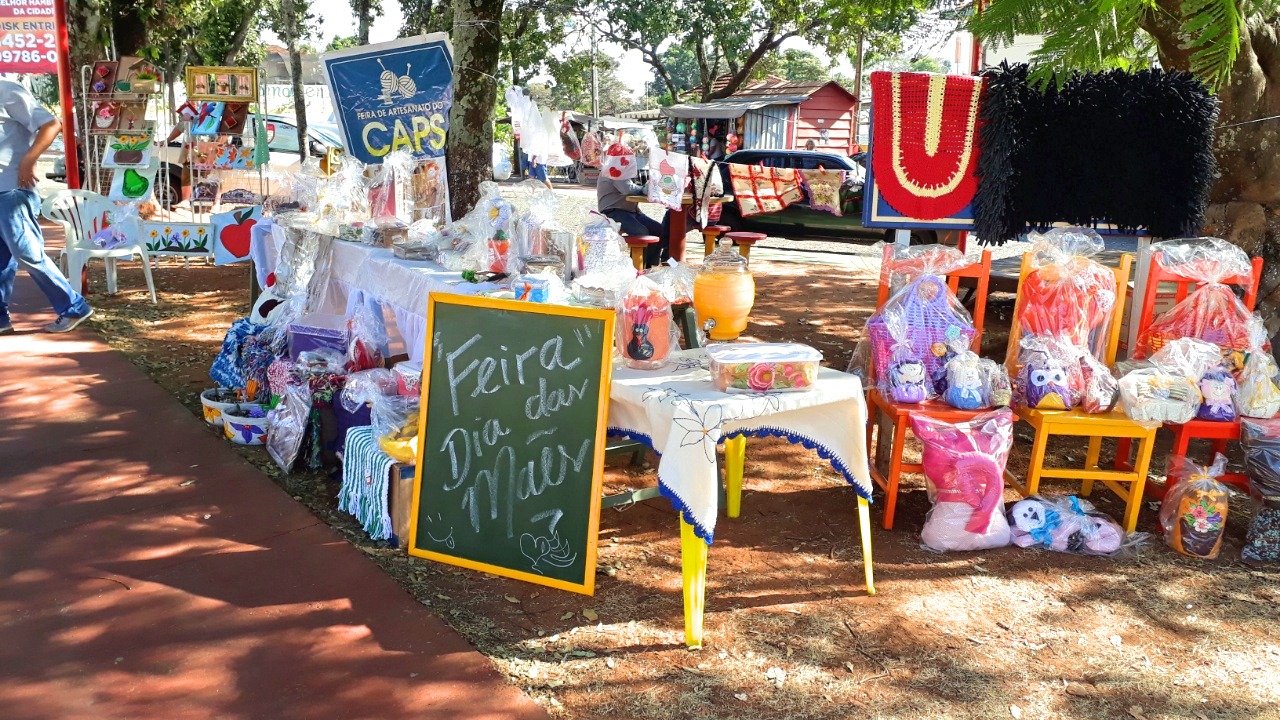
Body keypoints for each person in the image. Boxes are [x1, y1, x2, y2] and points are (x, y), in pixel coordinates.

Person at [0, 80, 92, 334]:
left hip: (12, 189)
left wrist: (29, 160)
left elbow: (51, 124)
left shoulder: (7, 91)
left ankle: (74, 307)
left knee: (27, 252)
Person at [596, 168, 670, 266]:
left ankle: (649, 266)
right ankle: (636, 267)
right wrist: (643, 189)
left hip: (630, 211)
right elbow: (627, 189)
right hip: (613, 212)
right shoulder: (613, 168)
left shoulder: (624, 170)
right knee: (641, 232)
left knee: (658, 229)